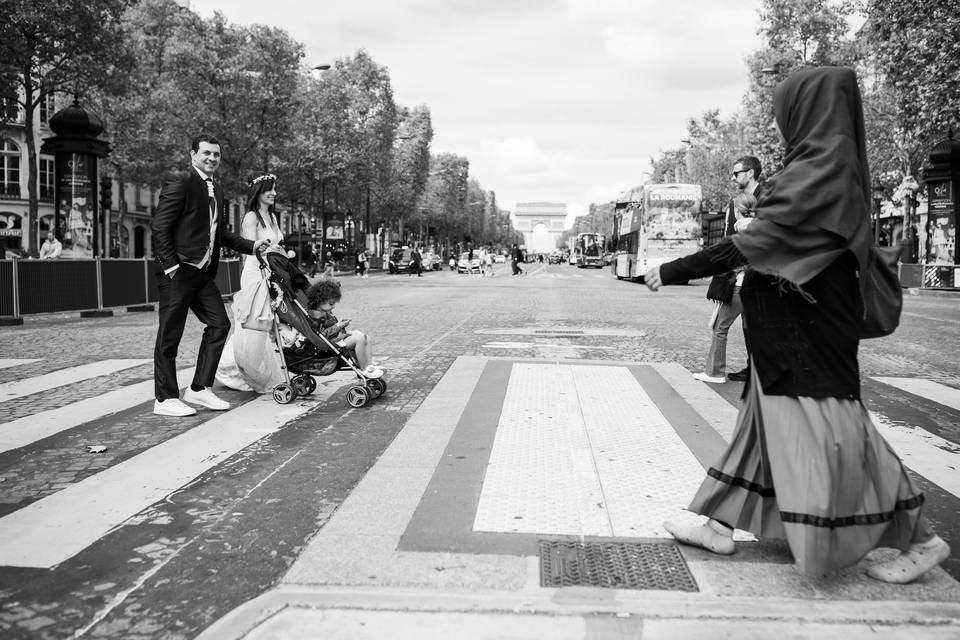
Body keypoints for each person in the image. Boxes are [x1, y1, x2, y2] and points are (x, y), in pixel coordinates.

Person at [644, 66, 949, 582]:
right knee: (764, 429)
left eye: (788, 110)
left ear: (806, 113)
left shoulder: (816, 174)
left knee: (839, 430)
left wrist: (673, 269)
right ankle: (715, 520)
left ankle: (922, 539)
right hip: (788, 331)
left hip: (805, 335)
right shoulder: (827, 166)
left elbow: (753, 244)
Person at [151, 133, 269, 417]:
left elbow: (222, 233)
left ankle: (199, 388)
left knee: (219, 325)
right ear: (193, 155)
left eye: (216, 155)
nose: (212, 159)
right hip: (178, 271)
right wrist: (171, 267)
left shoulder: (218, 188)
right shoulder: (181, 181)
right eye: (206, 153)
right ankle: (164, 399)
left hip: (202, 272)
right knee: (170, 335)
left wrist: (253, 245)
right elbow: (160, 226)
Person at [215, 173, 288, 393]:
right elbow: (251, 249)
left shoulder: (273, 218)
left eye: (275, 189)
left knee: (264, 324)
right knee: (253, 321)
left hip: (272, 272)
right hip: (256, 274)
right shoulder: (251, 218)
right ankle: (233, 367)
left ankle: (247, 365)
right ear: (258, 192)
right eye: (269, 189)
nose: (274, 193)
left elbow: (276, 246)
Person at [694, 192, 756, 384]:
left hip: (739, 286)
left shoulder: (742, 229)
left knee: (720, 328)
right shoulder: (760, 228)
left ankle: (715, 372)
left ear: (737, 211)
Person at [723, 156, 765, 382]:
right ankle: (754, 367)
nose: (733, 177)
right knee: (750, 322)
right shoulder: (739, 200)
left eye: (737, 173)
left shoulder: (767, 197)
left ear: (750, 173)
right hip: (748, 270)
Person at [305, 278, 384, 378]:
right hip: (330, 345)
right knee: (359, 339)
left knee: (366, 337)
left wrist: (340, 324)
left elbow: (330, 327)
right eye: (331, 304)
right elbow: (321, 335)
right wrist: (338, 326)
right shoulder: (315, 316)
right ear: (320, 301)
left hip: (337, 339)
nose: (333, 306)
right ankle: (363, 368)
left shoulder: (324, 312)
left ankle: (370, 365)